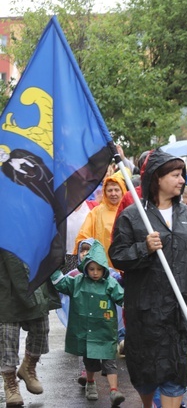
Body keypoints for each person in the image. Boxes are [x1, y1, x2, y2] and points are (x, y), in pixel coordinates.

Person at [110, 150, 187, 408]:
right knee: (146, 375)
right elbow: (117, 256)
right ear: (157, 178)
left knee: (176, 373)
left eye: (182, 175)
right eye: (175, 175)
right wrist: (144, 248)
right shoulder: (132, 216)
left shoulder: (186, 214)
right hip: (146, 312)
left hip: (181, 310)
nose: (182, 181)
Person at [51, 240, 126, 405]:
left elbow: (122, 297)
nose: (95, 273)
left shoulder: (109, 283)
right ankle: (91, 383)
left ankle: (114, 391)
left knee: (110, 361)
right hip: (86, 332)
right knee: (90, 361)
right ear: (85, 267)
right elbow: (62, 284)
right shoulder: (77, 282)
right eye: (91, 269)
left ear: (104, 269)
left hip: (105, 332)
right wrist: (52, 270)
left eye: (99, 269)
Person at [0, 250, 61, 407]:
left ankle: (28, 367)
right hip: (6, 290)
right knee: (8, 338)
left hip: (34, 282)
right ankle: (10, 384)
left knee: (41, 328)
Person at [75, 174, 126, 268]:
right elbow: (84, 237)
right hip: (101, 268)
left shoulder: (129, 211)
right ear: (105, 192)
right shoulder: (96, 212)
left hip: (126, 266)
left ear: (122, 191)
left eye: (117, 190)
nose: (113, 193)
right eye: (110, 190)